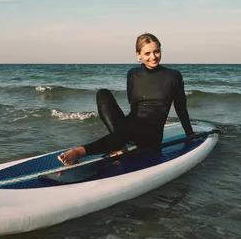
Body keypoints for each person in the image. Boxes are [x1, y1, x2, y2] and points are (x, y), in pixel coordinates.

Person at [58, 33, 194, 166]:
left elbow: (181, 108)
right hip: (131, 127)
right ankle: (120, 145)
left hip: (151, 134)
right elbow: (133, 105)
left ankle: (81, 151)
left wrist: (189, 133)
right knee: (103, 94)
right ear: (138, 55)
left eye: (156, 51)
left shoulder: (173, 76)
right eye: (147, 53)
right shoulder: (133, 74)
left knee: (135, 126)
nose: (153, 57)